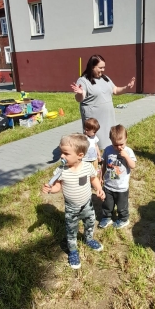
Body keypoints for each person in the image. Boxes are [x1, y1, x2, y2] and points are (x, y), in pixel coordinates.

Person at [42, 133, 105, 270]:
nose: (62, 156)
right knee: (71, 231)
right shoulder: (61, 171)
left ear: (80, 155)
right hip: (71, 209)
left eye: (66, 153)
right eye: (61, 152)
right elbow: (58, 186)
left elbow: (93, 179)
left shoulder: (88, 167)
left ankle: (89, 239)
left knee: (90, 223)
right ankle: (73, 251)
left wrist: (99, 189)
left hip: (87, 204)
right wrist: (51, 189)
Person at [71, 54, 136, 149]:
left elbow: (115, 90)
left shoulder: (105, 78)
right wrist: (80, 93)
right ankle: (94, 158)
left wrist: (127, 87)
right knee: (94, 143)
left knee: (110, 138)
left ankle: (108, 154)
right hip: (94, 118)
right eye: (100, 68)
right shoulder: (83, 81)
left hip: (108, 117)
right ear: (92, 67)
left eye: (104, 67)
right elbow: (79, 99)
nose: (103, 70)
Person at [99, 124, 136, 229]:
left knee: (122, 206)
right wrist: (100, 177)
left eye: (121, 144)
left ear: (126, 139)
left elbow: (133, 165)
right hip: (109, 185)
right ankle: (107, 217)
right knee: (107, 204)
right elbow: (104, 164)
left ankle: (123, 219)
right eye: (115, 145)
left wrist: (126, 157)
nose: (119, 147)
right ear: (111, 140)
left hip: (121, 187)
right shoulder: (108, 150)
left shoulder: (128, 151)